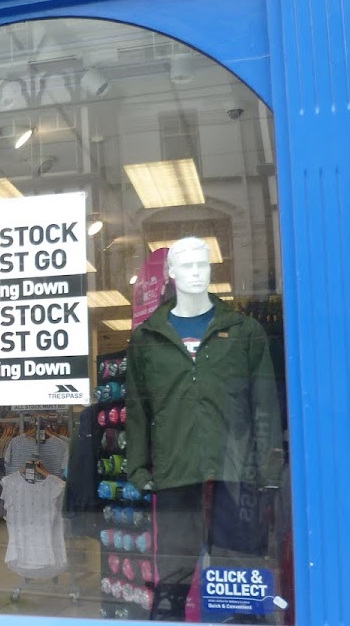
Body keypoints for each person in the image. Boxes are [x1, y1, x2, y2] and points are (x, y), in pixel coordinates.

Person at [123, 236, 284, 620]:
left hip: (234, 473)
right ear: (172, 274)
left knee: (238, 577)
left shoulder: (243, 332)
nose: (196, 273)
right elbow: (138, 410)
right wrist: (137, 468)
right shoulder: (147, 339)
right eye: (188, 266)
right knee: (173, 577)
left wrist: (268, 466)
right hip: (174, 473)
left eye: (203, 265)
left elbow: (264, 405)